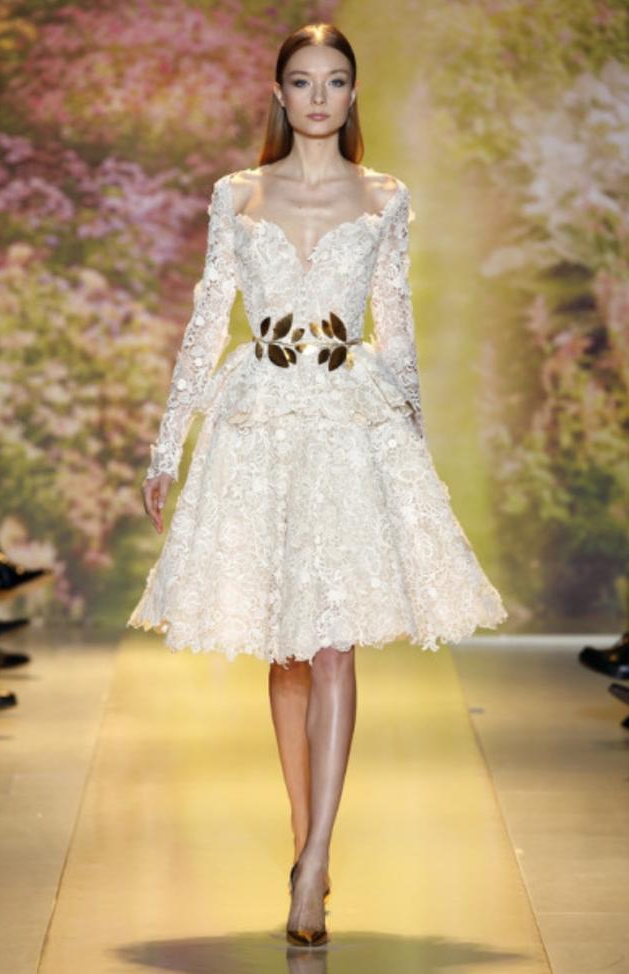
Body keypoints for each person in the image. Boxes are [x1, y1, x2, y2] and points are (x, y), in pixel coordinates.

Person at [127, 22, 508, 947]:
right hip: (259, 426)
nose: (319, 98)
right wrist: (168, 445)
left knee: (334, 642)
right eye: (302, 82)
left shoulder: (386, 197)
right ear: (278, 93)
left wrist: (413, 447)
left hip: (347, 424)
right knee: (287, 649)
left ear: (353, 93)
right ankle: (308, 842)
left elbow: (397, 327)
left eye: (335, 82)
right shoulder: (237, 194)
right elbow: (207, 318)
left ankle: (313, 863)